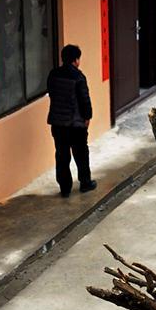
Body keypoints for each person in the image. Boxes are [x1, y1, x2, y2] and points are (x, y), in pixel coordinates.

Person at [46, 44, 96, 198]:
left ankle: (65, 188)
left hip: (58, 123)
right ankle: (85, 183)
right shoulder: (78, 77)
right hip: (75, 124)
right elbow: (84, 100)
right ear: (76, 60)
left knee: (62, 155)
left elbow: (52, 94)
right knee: (81, 154)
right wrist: (87, 117)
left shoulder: (53, 74)